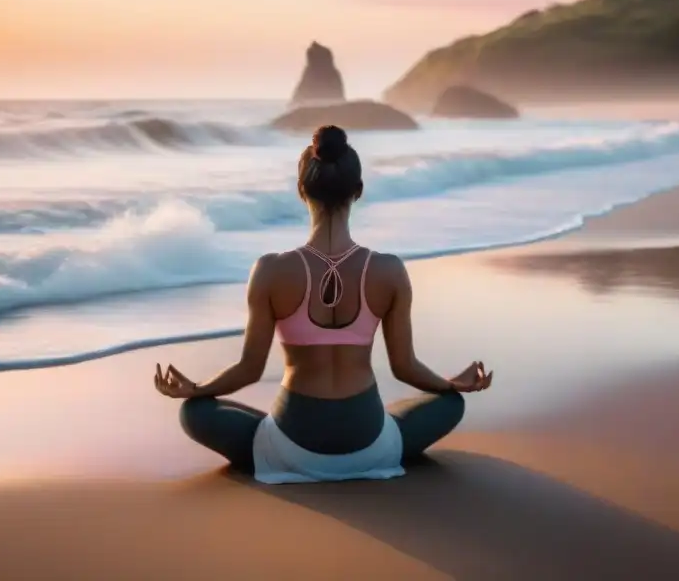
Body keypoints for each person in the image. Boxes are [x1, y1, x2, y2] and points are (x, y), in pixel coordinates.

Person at [154, 124, 493, 483]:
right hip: (371, 444)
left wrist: (199, 390)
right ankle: (379, 443)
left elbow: (249, 369)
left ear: (301, 190)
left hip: (290, 446)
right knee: (451, 403)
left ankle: (278, 450)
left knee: (195, 413)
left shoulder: (270, 270)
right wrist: (449, 384)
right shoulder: (388, 270)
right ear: (358, 191)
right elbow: (405, 368)